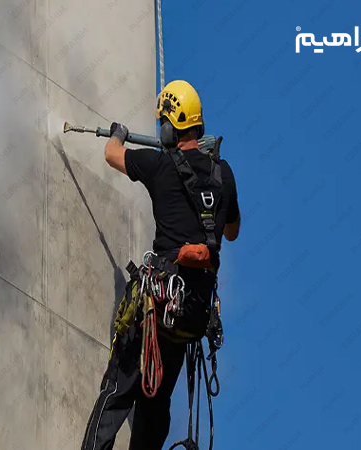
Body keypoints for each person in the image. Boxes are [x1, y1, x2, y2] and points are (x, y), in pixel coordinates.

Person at [80, 80, 241, 450]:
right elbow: (230, 231)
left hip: (158, 308)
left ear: (169, 127)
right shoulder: (224, 174)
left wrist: (118, 134)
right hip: (189, 318)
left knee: (117, 392)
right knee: (156, 402)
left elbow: (111, 154)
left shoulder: (160, 165)